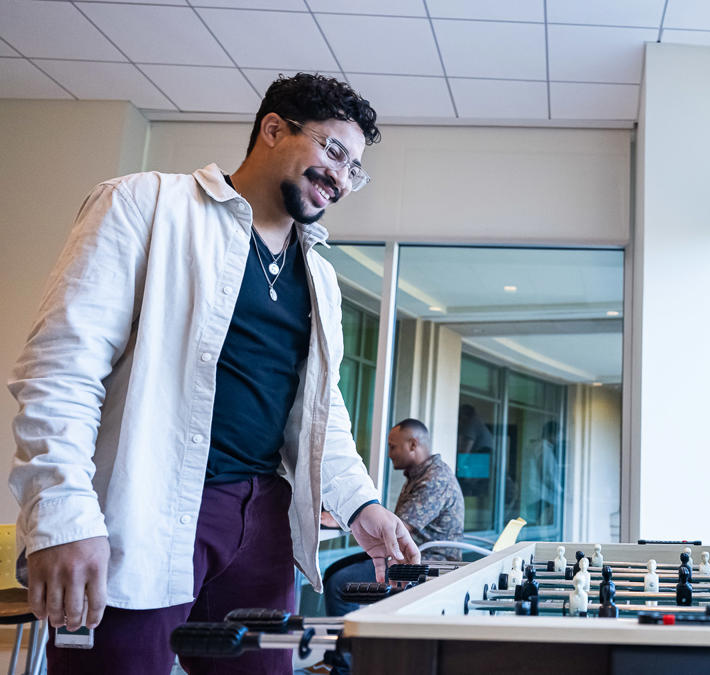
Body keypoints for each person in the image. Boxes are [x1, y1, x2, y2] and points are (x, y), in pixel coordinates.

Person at [8, 73, 419, 675]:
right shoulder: (145, 204)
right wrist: (62, 515)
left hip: (264, 521)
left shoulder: (321, 278)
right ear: (273, 129)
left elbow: (320, 412)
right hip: (143, 506)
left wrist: (361, 504)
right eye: (333, 150)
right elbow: (61, 369)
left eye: (354, 169)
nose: (341, 177)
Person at [325, 419, 464, 616]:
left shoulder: (435, 479)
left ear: (413, 445)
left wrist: (347, 516)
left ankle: (347, 635)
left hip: (427, 565)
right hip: (408, 555)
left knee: (339, 583)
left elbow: (399, 529)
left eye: (393, 447)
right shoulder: (420, 475)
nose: (389, 454)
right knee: (334, 570)